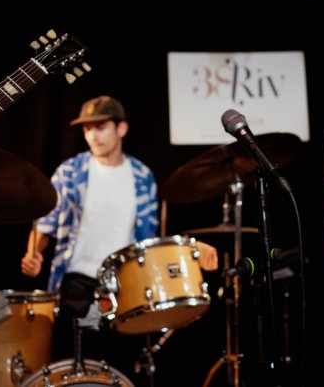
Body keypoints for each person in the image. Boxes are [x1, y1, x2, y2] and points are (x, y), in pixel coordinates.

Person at [21, 95, 218, 385]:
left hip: (125, 285)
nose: (93, 135)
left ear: (121, 129)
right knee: (76, 365)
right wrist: (34, 253)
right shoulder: (70, 172)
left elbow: (149, 240)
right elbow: (45, 224)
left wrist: (189, 249)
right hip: (78, 280)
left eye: (100, 127)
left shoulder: (142, 176)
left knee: (120, 367)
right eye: (87, 129)